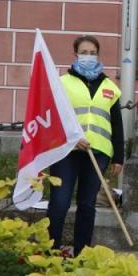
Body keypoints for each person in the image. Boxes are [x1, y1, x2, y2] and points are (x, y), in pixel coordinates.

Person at [48, 35, 124, 256]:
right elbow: (54, 118)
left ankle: (82, 253)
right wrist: (72, 138)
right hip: (67, 151)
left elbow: (116, 124)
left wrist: (119, 156)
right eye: (84, 52)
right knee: (60, 203)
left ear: (98, 55)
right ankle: (51, 251)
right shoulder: (62, 83)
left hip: (97, 152)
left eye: (92, 53)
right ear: (75, 54)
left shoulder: (110, 87)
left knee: (87, 205)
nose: (88, 57)